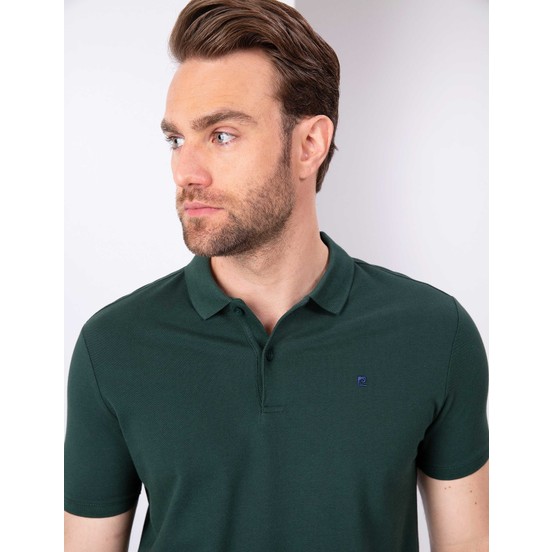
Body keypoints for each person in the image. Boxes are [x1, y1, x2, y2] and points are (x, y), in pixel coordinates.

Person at [64, 0, 489, 550]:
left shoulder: (435, 334)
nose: (185, 171)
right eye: (176, 139)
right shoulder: (113, 346)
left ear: (309, 145)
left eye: (221, 135)